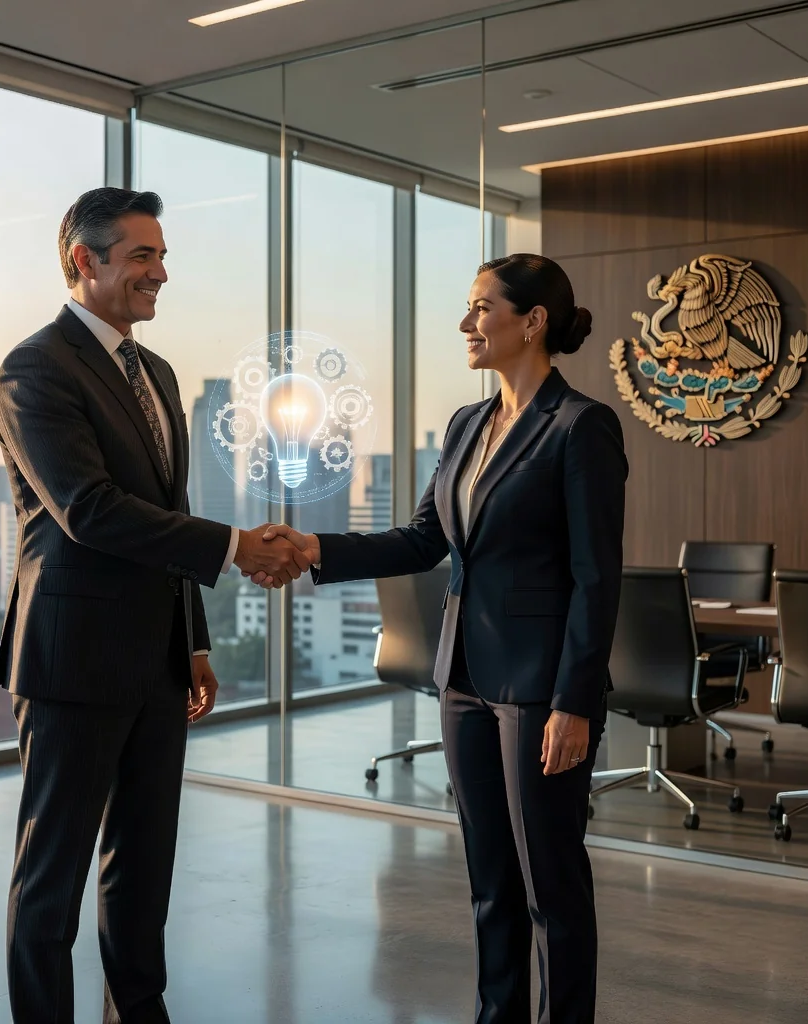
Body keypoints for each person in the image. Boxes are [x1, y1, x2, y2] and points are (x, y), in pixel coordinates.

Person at [256, 254, 628, 1024]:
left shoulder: (581, 426)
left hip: (537, 686)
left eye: (482, 307)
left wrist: (575, 701)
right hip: (461, 676)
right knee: (489, 879)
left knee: (550, 883)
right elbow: (424, 539)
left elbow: (598, 578)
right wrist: (317, 548)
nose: (467, 323)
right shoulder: (467, 424)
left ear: (533, 322)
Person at [0, 187, 311, 1024]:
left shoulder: (157, 373)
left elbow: (163, 514)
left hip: (157, 660)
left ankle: (139, 1012)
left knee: (143, 868)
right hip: (72, 660)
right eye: (142, 256)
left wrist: (194, 640)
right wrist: (237, 547)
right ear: (82, 262)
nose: (160, 274)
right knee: (51, 878)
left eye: (161, 256)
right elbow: (89, 510)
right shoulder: (35, 368)